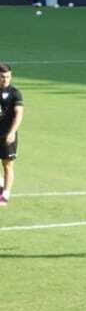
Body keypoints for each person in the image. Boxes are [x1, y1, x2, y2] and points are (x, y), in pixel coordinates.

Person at [0, 64, 23, 205]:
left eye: (8, 76)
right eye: (2, 77)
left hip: (7, 135)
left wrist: (12, 132)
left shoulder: (15, 93)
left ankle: (5, 195)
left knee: (7, 165)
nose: (5, 79)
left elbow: (19, 114)